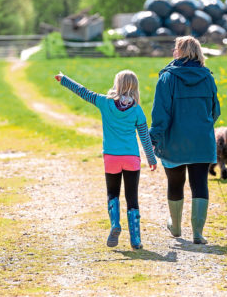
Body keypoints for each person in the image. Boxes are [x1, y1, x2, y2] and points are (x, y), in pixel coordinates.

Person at [55, 70, 157, 249]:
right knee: (132, 197)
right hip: (131, 158)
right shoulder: (137, 110)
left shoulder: (104, 102)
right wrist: (151, 158)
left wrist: (64, 80)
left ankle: (115, 224)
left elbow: (83, 92)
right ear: (135, 87)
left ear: (117, 85)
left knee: (113, 193)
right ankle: (135, 240)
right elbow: (144, 136)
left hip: (111, 157)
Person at [149, 36, 220, 244]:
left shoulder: (167, 78)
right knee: (199, 184)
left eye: (175, 48)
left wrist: (153, 139)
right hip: (202, 141)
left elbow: (161, 114)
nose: (173, 51)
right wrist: (203, 127)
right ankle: (198, 233)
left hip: (174, 141)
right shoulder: (207, 77)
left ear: (180, 52)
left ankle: (177, 227)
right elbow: (215, 111)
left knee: (175, 182)